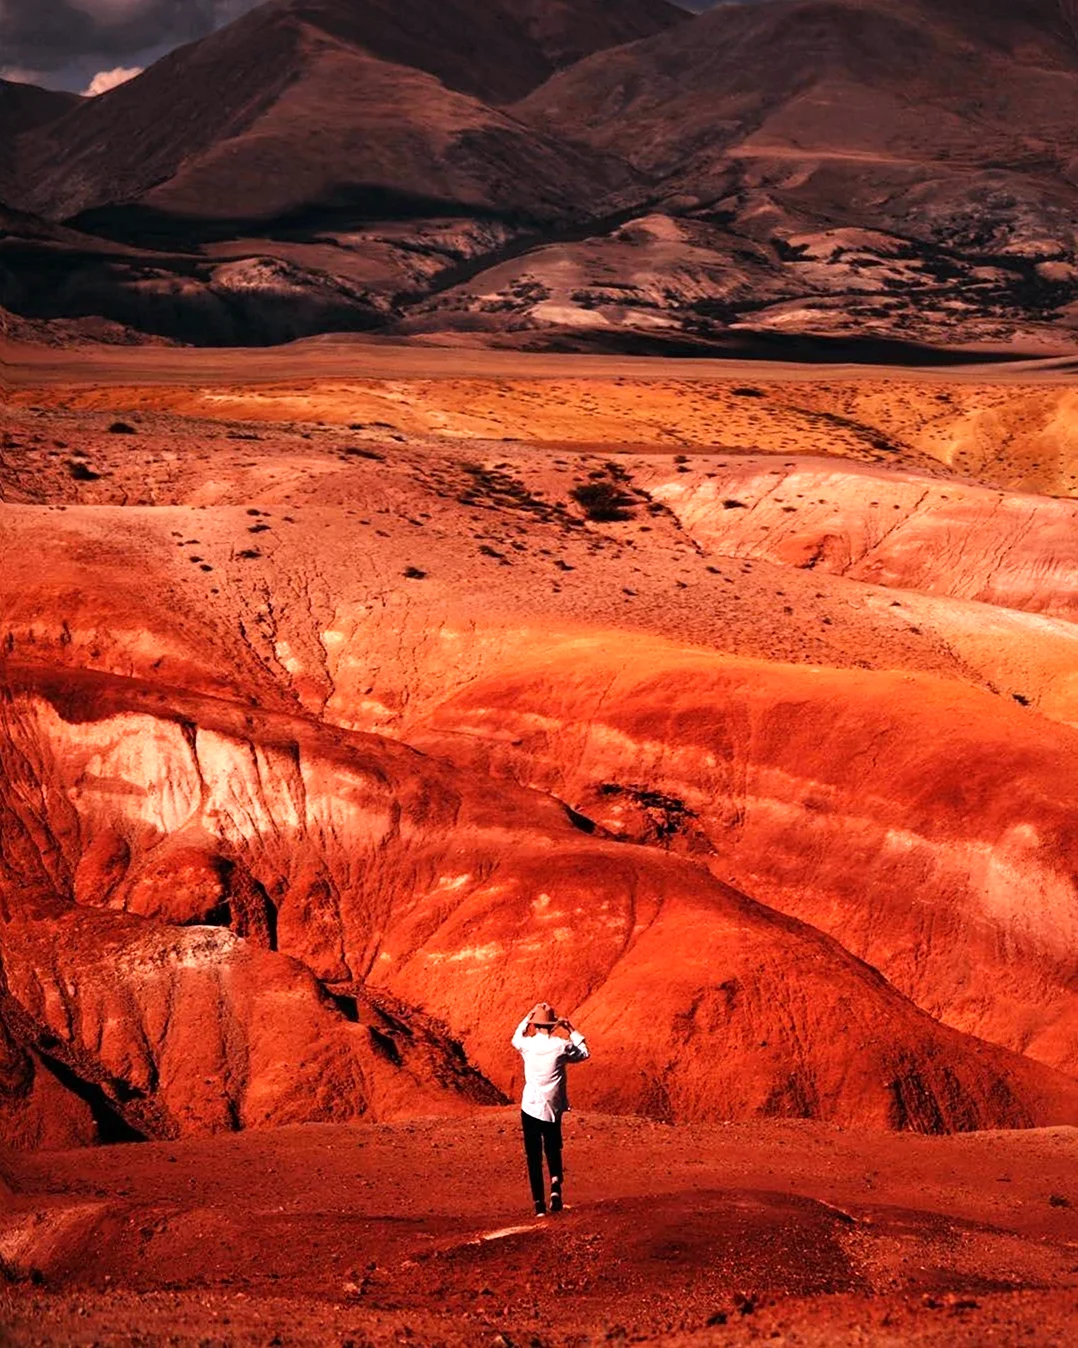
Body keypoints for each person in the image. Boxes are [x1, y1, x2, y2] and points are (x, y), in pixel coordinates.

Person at [511, 1001, 589, 1217]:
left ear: (535, 1026)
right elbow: (584, 1053)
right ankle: (555, 1184)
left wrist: (528, 1017)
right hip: (553, 1107)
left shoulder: (527, 1045)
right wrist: (570, 1029)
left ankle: (538, 1205)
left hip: (530, 1107)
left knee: (533, 1156)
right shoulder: (561, 1046)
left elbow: (515, 1038)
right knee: (553, 1147)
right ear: (552, 1024)